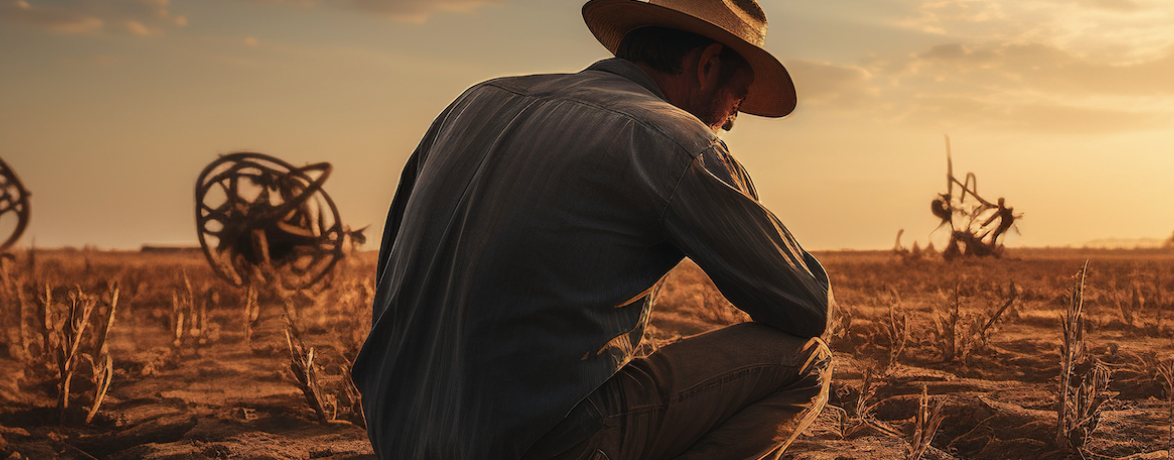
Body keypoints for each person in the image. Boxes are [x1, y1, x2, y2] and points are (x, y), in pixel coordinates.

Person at [349, 0, 832, 458]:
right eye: (737, 100)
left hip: (396, 436)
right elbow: (806, 305)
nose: (730, 122)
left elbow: (391, 269)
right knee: (807, 360)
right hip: (534, 445)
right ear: (707, 66)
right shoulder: (673, 140)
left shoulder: (473, 102)